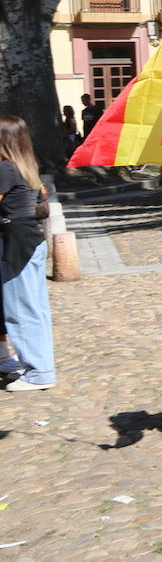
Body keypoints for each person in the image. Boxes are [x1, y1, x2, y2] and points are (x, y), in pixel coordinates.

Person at [0, 117, 55, 391]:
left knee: (20, 310)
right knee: (36, 308)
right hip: (31, 238)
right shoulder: (26, 166)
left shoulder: (5, 169)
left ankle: (39, 372)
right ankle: (39, 365)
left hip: (16, 242)